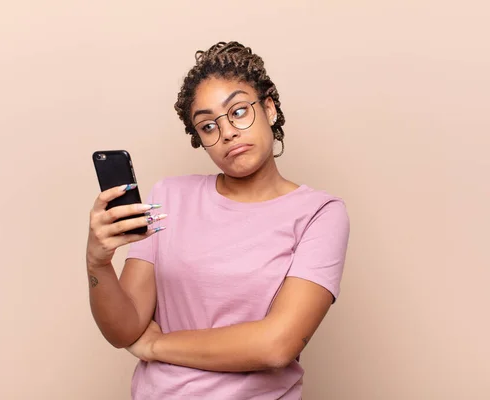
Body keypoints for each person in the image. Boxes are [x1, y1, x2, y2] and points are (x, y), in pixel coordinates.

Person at [86, 41, 350, 399]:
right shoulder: (168, 197)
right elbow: (125, 329)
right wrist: (98, 263)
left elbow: (277, 345)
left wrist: (156, 347)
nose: (226, 132)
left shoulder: (320, 213)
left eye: (239, 111)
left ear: (269, 109)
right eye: (208, 126)